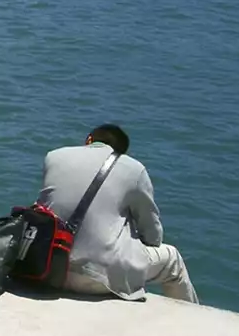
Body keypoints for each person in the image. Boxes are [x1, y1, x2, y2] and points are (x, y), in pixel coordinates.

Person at [38, 125, 198, 303]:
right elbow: (153, 237)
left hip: (47, 267)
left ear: (89, 140)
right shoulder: (134, 170)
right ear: (122, 153)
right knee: (172, 260)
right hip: (99, 279)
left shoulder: (54, 156)